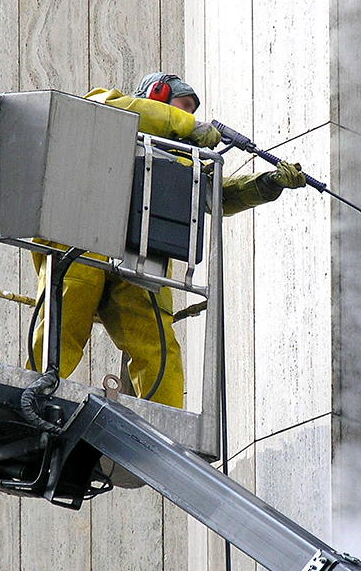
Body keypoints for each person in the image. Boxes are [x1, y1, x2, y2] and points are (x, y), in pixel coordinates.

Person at [28, 72, 306, 408]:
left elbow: (213, 196)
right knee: (62, 325)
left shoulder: (180, 161)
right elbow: (101, 105)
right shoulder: (110, 109)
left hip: (140, 256)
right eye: (182, 107)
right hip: (81, 240)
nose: (188, 117)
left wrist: (267, 184)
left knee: (158, 347)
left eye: (191, 112)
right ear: (155, 96)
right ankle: (32, 391)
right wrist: (186, 126)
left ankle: (164, 420)